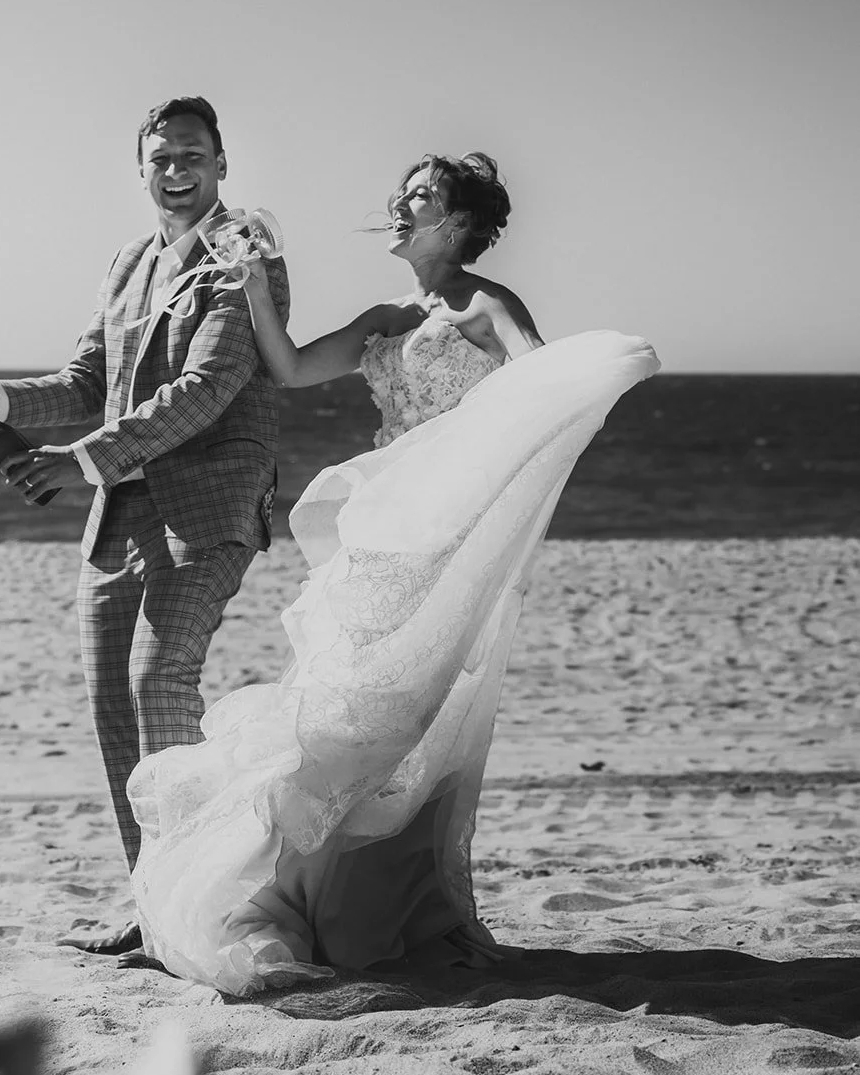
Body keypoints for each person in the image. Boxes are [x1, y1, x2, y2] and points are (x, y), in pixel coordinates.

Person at [124, 149, 660, 995]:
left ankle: (371, 903)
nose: (400, 204)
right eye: (403, 193)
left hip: (443, 534)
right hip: (380, 530)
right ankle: (303, 893)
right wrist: (255, 284)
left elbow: (539, 389)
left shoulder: (487, 304)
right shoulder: (386, 314)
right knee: (336, 702)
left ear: (459, 221)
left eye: (421, 195)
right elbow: (292, 368)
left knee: (396, 718)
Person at [0, 96, 290, 961]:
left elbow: (206, 388)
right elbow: (89, 377)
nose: (176, 171)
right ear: (140, 170)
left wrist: (80, 460)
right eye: (161, 158)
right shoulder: (130, 260)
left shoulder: (246, 250)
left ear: (220, 164)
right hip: (121, 515)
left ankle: (198, 909)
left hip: (208, 508)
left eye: (192, 155)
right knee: (112, 711)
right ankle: (153, 906)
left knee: (157, 684)